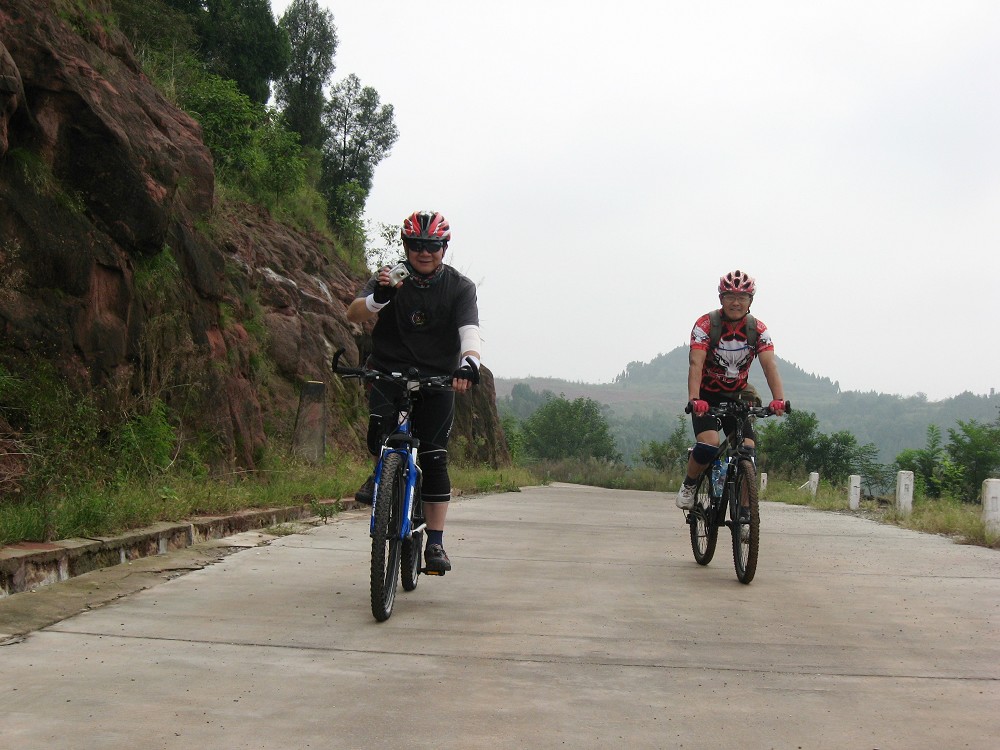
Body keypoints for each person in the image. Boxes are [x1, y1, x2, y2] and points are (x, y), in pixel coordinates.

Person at [346, 210, 481, 573]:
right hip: (388, 371)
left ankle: (434, 542)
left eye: (432, 246)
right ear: (406, 246)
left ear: (444, 248)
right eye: (417, 245)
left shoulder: (459, 287)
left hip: (438, 379)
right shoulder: (389, 277)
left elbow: (469, 331)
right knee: (380, 438)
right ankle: (382, 472)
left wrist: (469, 363)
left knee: (434, 457)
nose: (424, 252)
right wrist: (379, 297)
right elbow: (353, 314)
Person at [676, 269, 787, 512]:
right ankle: (690, 484)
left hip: (737, 395)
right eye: (730, 296)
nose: (736, 302)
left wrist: (778, 399)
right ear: (721, 299)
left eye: (742, 297)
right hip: (706, 395)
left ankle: (746, 515)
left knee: (748, 450)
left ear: (750, 301)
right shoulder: (705, 325)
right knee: (710, 443)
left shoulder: (758, 330)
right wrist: (694, 399)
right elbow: (696, 363)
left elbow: (769, 365)